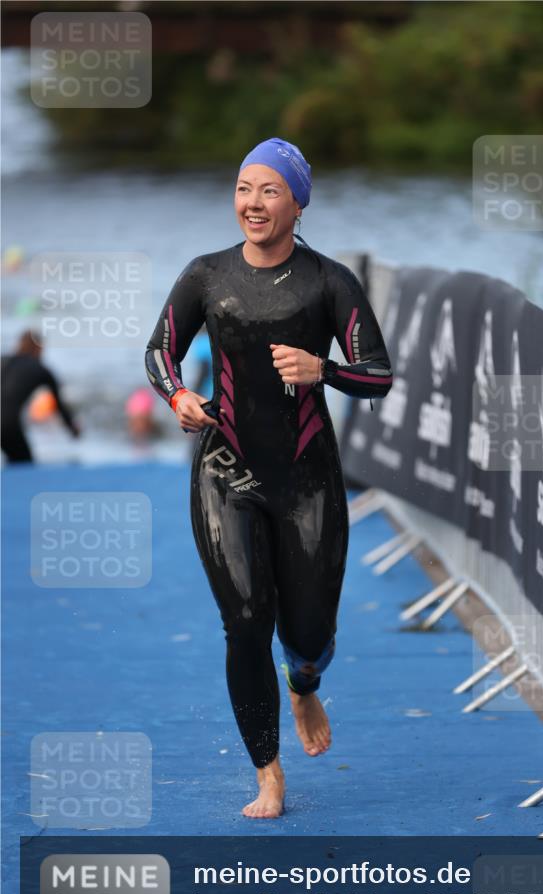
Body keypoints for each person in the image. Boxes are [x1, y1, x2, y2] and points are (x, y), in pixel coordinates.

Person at [145, 137, 393, 818]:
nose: (252, 203)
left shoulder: (329, 282)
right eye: (243, 188)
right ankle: (268, 773)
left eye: (269, 190)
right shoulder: (206, 275)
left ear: (298, 203)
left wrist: (324, 369)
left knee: (307, 634)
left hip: (308, 479)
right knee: (246, 622)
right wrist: (178, 396)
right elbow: (160, 351)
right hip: (224, 470)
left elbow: (377, 374)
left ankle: (303, 682)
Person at [1, 330, 80, 463]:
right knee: (24, 464)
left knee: (14, 459)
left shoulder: (3, 361)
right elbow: (59, 405)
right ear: (39, 348)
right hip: (7, 423)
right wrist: (72, 428)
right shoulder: (41, 369)